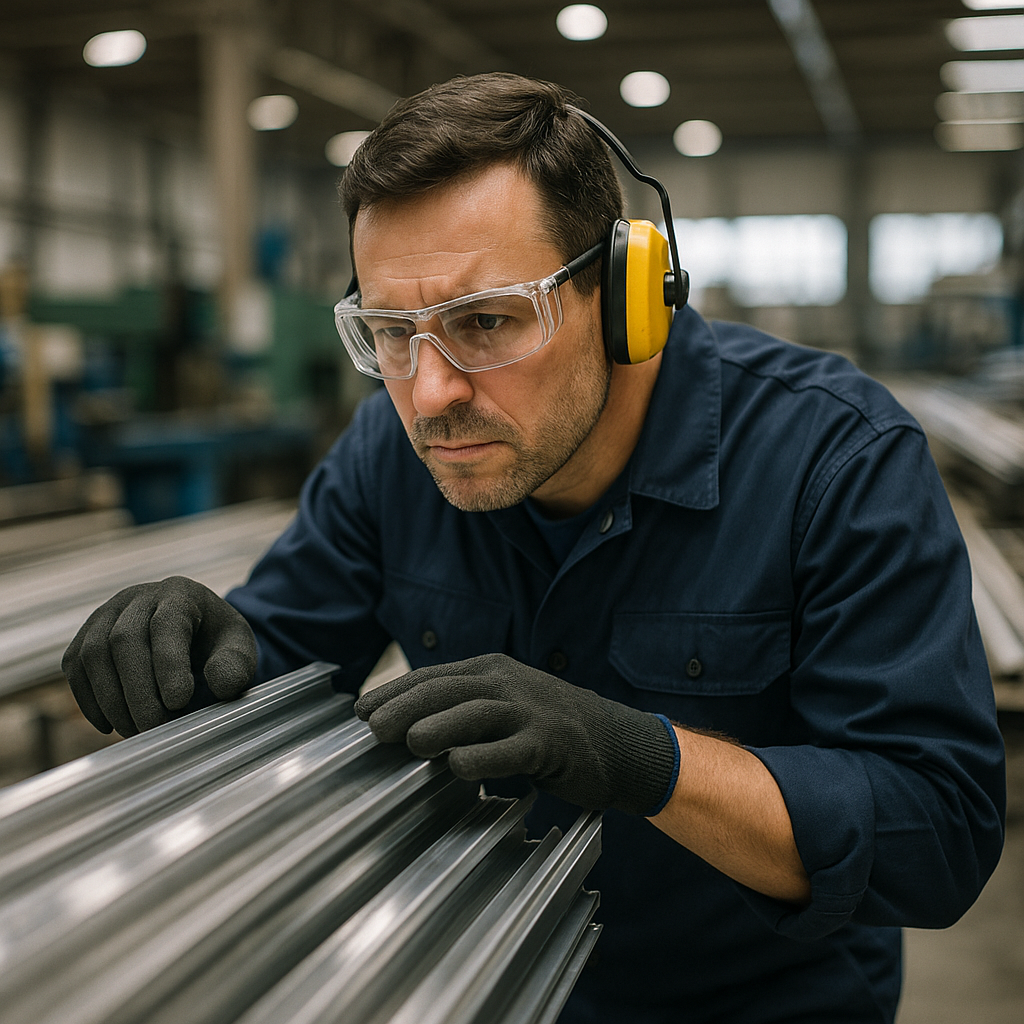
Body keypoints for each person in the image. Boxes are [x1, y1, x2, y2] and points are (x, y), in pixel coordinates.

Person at [62, 73, 1006, 1023]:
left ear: (625, 297)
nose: (431, 395)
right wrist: (192, 646)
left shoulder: (832, 460)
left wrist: (648, 759)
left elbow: (936, 833)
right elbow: (282, 651)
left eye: (485, 322)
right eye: (392, 332)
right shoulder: (390, 458)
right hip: (490, 986)